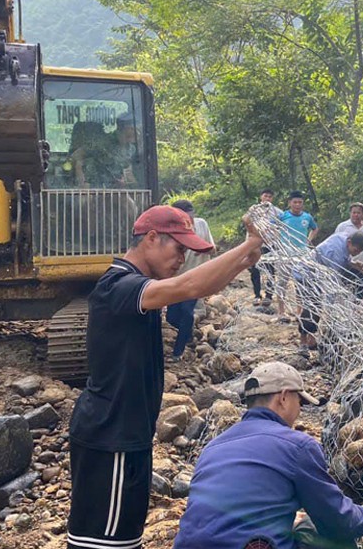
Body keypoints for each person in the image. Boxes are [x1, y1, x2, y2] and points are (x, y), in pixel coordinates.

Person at [66, 206, 263, 549]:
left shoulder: (138, 285)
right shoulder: (119, 285)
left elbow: (199, 288)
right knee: (102, 544)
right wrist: (248, 243)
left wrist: (245, 260)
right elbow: (190, 285)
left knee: (124, 541)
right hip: (110, 436)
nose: (182, 259)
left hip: (128, 435)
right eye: (179, 249)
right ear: (152, 238)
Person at [173, 362, 363, 549]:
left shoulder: (213, 447)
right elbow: (337, 520)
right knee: (315, 531)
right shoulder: (298, 446)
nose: (299, 410)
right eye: (300, 402)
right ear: (283, 398)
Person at [294, 231, 363, 348]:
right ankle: (303, 341)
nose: (355, 254)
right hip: (306, 274)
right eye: (355, 251)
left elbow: (343, 261)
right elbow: (332, 284)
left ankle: (311, 339)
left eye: (359, 252)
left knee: (317, 306)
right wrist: (331, 310)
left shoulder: (344, 238)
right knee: (313, 306)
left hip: (320, 273)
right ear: (349, 242)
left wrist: (354, 264)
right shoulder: (335, 252)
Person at [166, 199, 216, 362]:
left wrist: (203, 249)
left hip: (195, 278)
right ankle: (188, 334)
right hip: (176, 279)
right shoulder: (170, 232)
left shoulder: (201, 224)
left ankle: (178, 352)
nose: (190, 222)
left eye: (191, 217)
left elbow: (213, 248)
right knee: (171, 318)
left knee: (187, 312)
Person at [334, 202, 363, 298]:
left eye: (358, 213)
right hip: (345, 265)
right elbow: (336, 243)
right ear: (350, 213)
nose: (356, 215)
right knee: (344, 291)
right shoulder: (343, 226)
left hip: (362, 266)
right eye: (354, 212)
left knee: (360, 292)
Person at [249, 189, 281, 305]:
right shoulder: (253, 210)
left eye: (270, 197)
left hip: (271, 245)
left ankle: (269, 295)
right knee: (255, 270)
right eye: (265, 196)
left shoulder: (277, 212)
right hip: (256, 245)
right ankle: (257, 295)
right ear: (261, 197)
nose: (267, 198)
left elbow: (282, 227)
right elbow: (248, 227)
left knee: (270, 271)